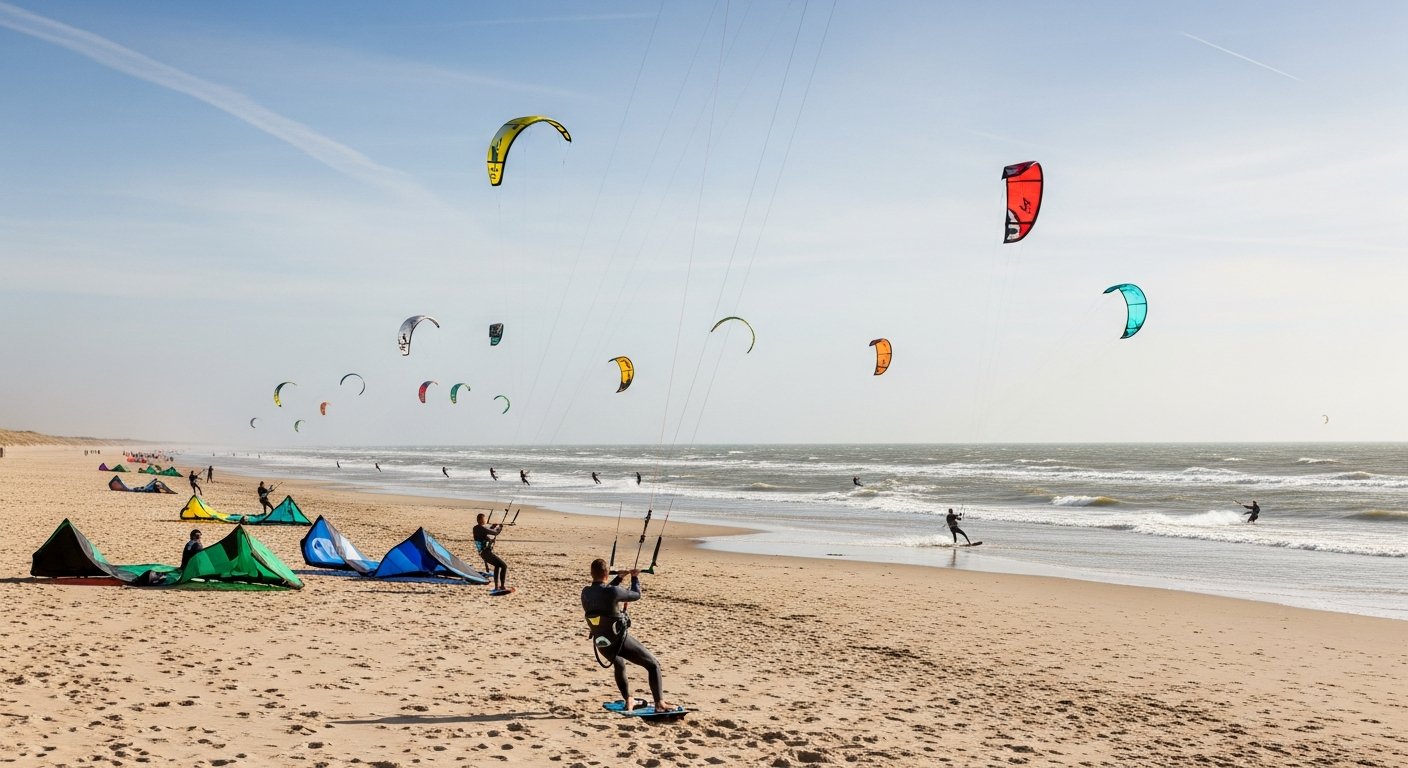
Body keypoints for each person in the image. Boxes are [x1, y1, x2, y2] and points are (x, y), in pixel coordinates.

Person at [582, 559, 671, 713]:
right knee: (653, 665)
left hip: (602, 643)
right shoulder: (613, 592)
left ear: (591, 574)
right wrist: (635, 577)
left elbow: (605, 592)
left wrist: (619, 578)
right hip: (618, 642)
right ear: (606, 573)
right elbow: (636, 594)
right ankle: (660, 704)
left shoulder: (586, 592)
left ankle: (629, 699)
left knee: (619, 663)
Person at [474, 513, 510, 592]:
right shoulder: (481, 529)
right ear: (481, 520)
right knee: (504, 566)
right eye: (485, 519)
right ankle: (502, 587)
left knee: (497, 565)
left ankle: (497, 586)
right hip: (486, 553)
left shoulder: (476, 528)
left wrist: (493, 527)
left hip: (483, 554)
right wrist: (500, 528)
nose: (486, 520)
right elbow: (494, 533)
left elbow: (486, 533)